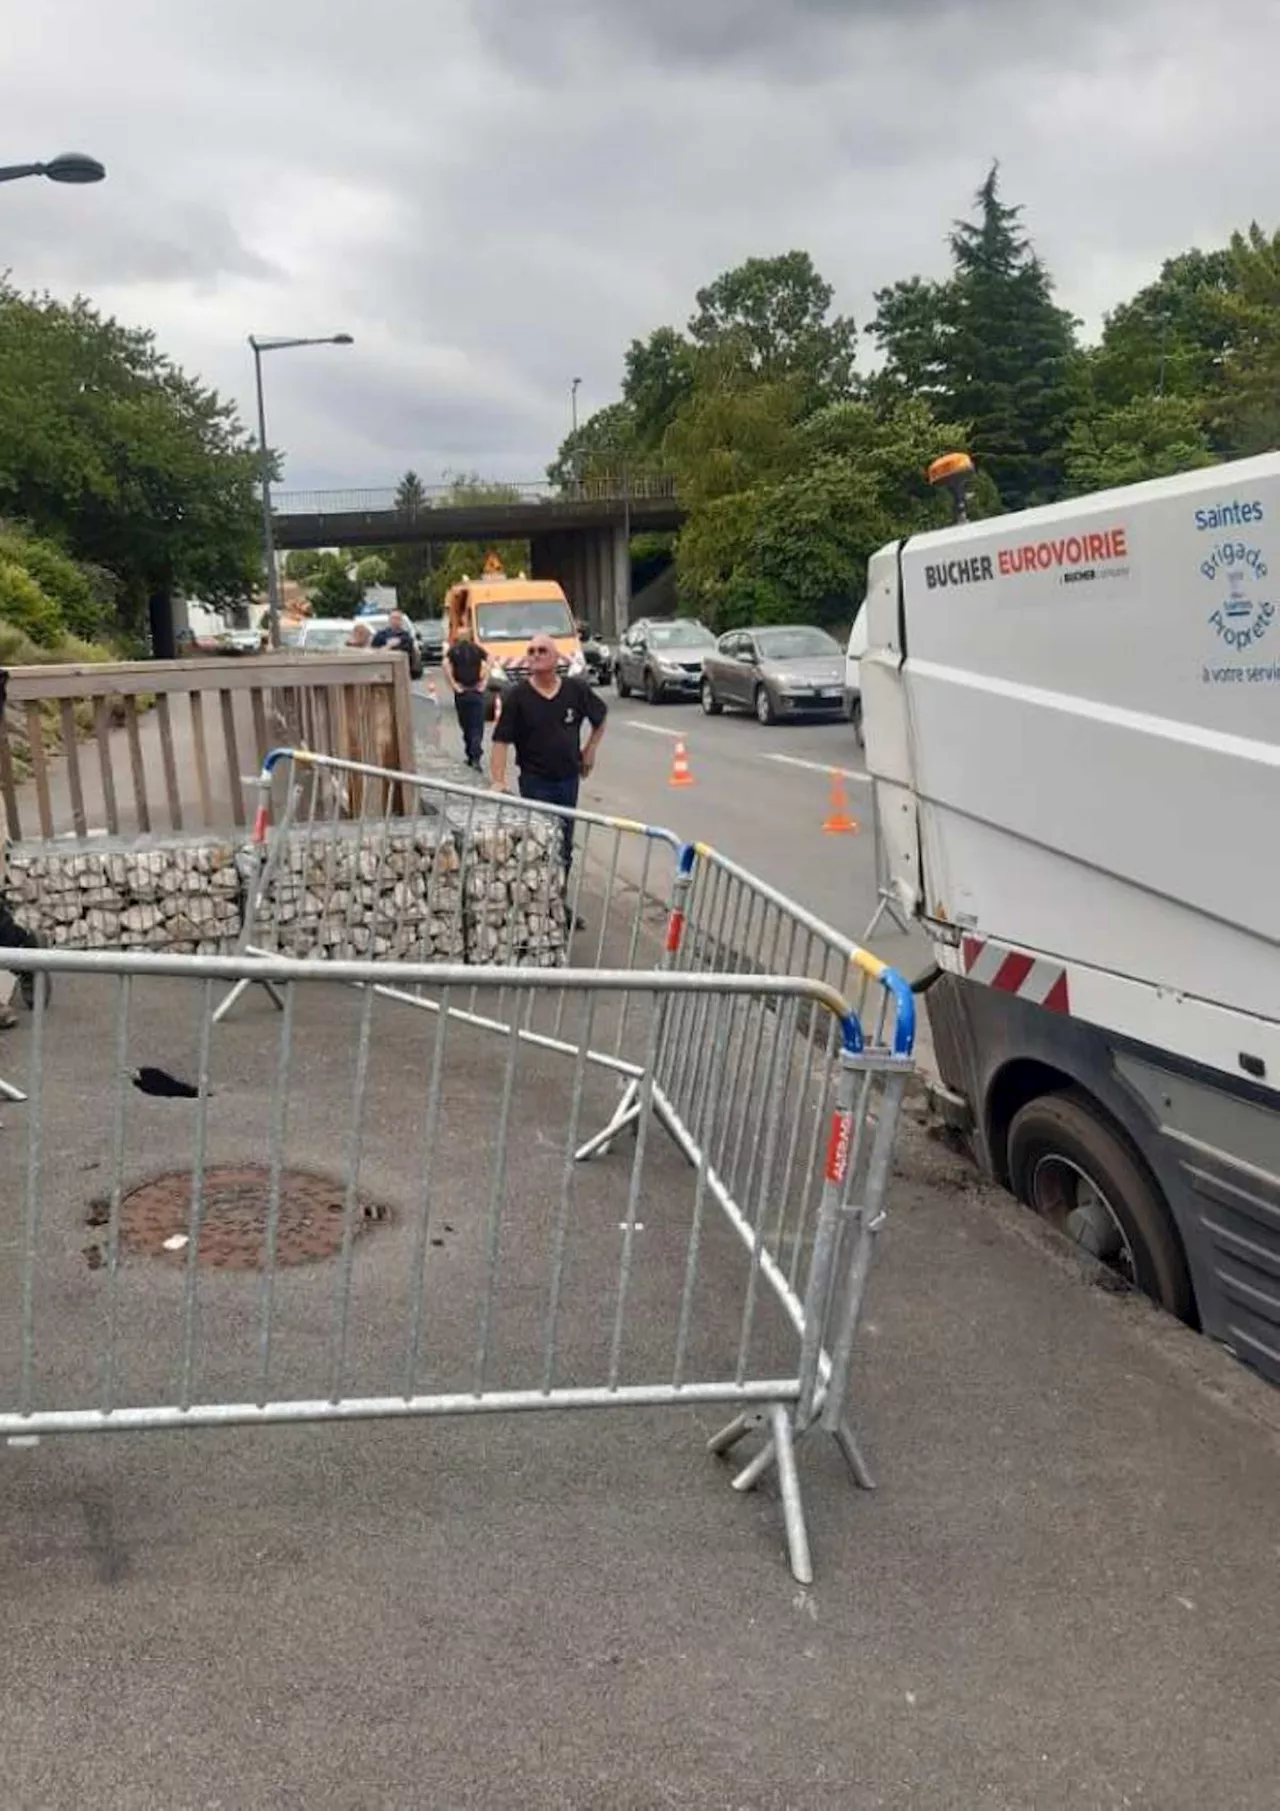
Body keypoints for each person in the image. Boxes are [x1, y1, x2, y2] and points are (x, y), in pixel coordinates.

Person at [490, 635, 607, 878]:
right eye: (531, 651)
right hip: (535, 783)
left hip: (567, 780)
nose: (535, 655)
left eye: (542, 650)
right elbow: (500, 741)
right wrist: (498, 780)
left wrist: (590, 750)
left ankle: (559, 899)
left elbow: (600, 717)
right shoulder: (517, 696)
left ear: (555, 659)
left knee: (564, 843)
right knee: (540, 844)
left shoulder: (576, 690)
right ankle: (542, 898)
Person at [443, 627, 490, 771]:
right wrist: (484, 682)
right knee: (476, 726)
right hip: (475, 690)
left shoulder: (454, 650)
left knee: (466, 725)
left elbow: (445, 665)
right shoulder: (477, 649)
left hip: (462, 692)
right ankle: (475, 756)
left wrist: (454, 685)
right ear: (470, 636)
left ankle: (471, 755)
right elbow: (490, 660)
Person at [371, 609, 422, 680]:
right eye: (393, 618)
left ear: (401, 621)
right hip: (382, 672)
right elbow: (374, 651)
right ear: (389, 619)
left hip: (401, 673)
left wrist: (390, 646)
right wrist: (388, 646)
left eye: (398, 618)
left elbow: (406, 651)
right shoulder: (380, 635)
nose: (395, 621)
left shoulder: (406, 637)